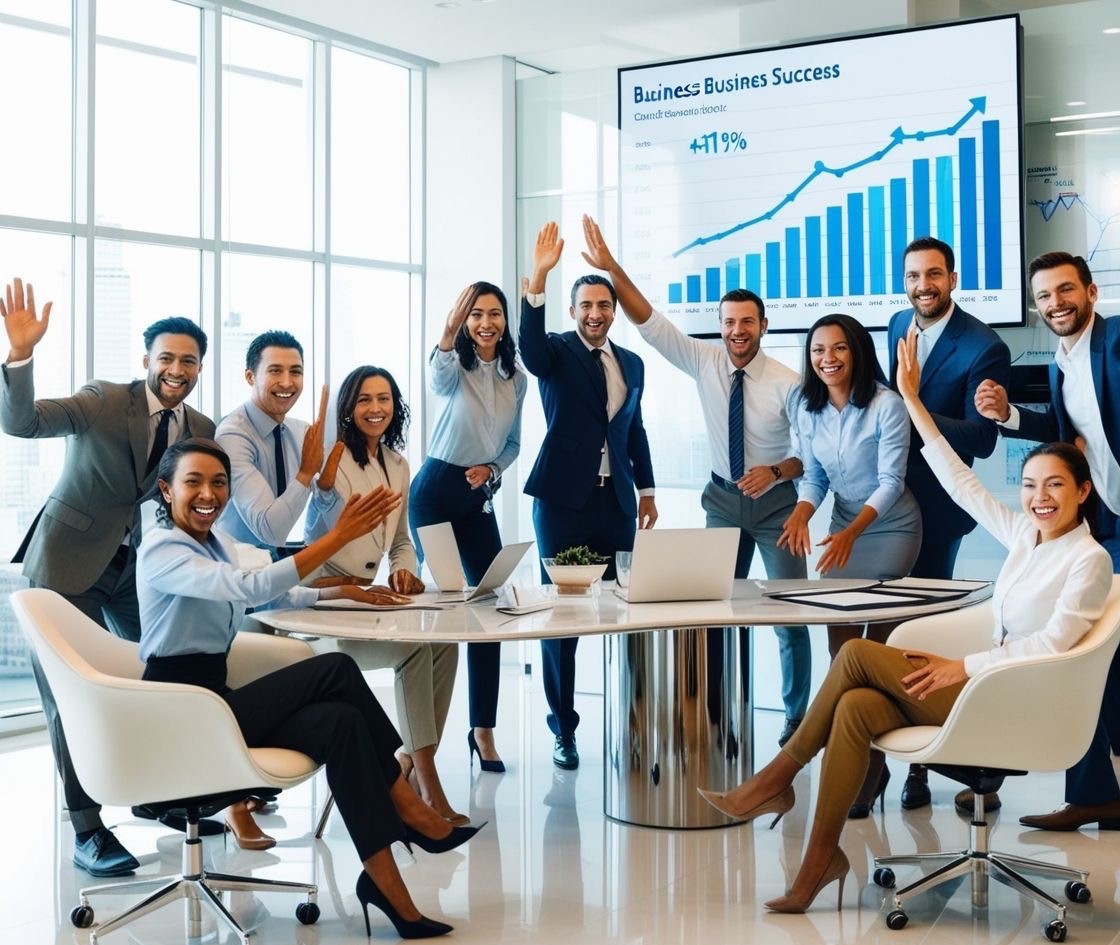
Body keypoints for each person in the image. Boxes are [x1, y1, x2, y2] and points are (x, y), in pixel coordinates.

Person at [698, 327, 1113, 914]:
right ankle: (821, 862)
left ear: (1083, 490)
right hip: (984, 683)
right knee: (855, 707)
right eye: (1028, 486)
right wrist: (915, 399)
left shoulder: (1090, 560)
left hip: (1019, 697)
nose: (1039, 497)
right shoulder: (1025, 534)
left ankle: (774, 781)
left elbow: (1054, 644)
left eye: (1054, 487)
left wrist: (960, 667)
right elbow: (959, 479)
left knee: (856, 655)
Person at [137, 437, 480, 940]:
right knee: (336, 669)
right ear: (166, 491)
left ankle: (387, 886)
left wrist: (340, 590)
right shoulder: (162, 550)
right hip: (180, 714)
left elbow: (264, 591)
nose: (208, 493)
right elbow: (246, 588)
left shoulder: (216, 544)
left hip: (216, 701)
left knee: (339, 723)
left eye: (218, 482)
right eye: (193, 482)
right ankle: (408, 807)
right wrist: (337, 538)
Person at [1, 277, 214, 877]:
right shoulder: (101, 399)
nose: (177, 369)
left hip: (137, 570)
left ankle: (162, 795)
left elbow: (192, 499)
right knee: (70, 696)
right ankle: (89, 829)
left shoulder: (199, 425)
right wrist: (20, 356)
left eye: (189, 360)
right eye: (167, 358)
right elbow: (23, 424)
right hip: (66, 565)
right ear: (146, 361)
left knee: (166, 672)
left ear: (200, 367)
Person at [580, 214, 811, 747]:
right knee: (713, 608)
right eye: (729, 322)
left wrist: (777, 470)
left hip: (777, 506)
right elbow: (650, 322)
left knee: (789, 613)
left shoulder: (787, 383)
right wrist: (611, 267)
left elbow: (811, 457)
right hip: (722, 503)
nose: (736, 331)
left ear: (763, 326)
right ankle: (713, 711)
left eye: (747, 323)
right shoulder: (704, 360)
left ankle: (796, 718)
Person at [975, 250, 1120, 831]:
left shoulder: (1114, 344)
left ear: (1090, 292)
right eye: (1044, 296)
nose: (1055, 303)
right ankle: (1096, 793)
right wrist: (1011, 414)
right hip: (1106, 520)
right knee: (1092, 654)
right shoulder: (1063, 361)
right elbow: (1068, 435)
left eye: (1065, 291)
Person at [520, 222, 658, 770]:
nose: (596, 313)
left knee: (625, 612)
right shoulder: (554, 352)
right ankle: (564, 731)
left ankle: (634, 722)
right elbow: (528, 350)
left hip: (616, 504)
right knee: (565, 620)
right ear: (573, 311)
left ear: (612, 310)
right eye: (586, 306)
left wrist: (646, 488)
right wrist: (538, 279)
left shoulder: (633, 363)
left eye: (604, 304)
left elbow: (635, 429)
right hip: (562, 505)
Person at [305, 365, 463, 824]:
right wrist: (325, 488)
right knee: (414, 650)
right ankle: (427, 779)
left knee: (445, 642)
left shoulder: (398, 465)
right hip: (327, 601)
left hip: (368, 598)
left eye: (384, 399)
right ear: (349, 410)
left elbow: (400, 540)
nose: (375, 408)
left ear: (395, 407)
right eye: (364, 400)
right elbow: (314, 534)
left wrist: (404, 571)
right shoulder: (333, 461)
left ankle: (411, 762)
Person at [886, 236, 1010, 813]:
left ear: (953, 279)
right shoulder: (894, 325)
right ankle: (883, 752)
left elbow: (982, 438)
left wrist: (911, 405)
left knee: (926, 636)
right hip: (883, 504)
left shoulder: (983, 345)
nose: (922, 286)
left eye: (933, 275)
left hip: (938, 508)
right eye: (913, 276)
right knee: (886, 631)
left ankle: (925, 766)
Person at [779, 313, 921, 817]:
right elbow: (813, 477)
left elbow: (890, 481)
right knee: (842, 653)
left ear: (857, 352)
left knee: (875, 651)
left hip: (889, 527)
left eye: (838, 349)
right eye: (818, 350)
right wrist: (801, 515)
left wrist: (849, 534)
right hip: (842, 526)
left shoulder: (887, 406)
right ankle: (851, 752)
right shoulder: (805, 405)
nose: (828, 359)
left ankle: (876, 765)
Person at [409, 282, 527, 773]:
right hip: (435, 489)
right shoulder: (452, 367)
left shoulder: (517, 379)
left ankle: (483, 730)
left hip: (476, 492)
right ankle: (419, 746)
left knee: (490, 609)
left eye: (494, 313)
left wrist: (492, 471)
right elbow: (435, 379)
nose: (486, 322)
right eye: (477, 314)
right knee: (436, 608)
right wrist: (447, 330)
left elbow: (514, 443)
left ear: (504, 321)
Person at [215, 330, 328, 555]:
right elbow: (269, 530)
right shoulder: (232, 435)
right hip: (234, 566)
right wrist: (305, 474)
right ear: (250, 377)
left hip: (281, 562)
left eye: (295, 372)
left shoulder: (302, 432)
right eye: (275, 371)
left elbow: (324, 509)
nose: (287, 382)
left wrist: (326, 486)